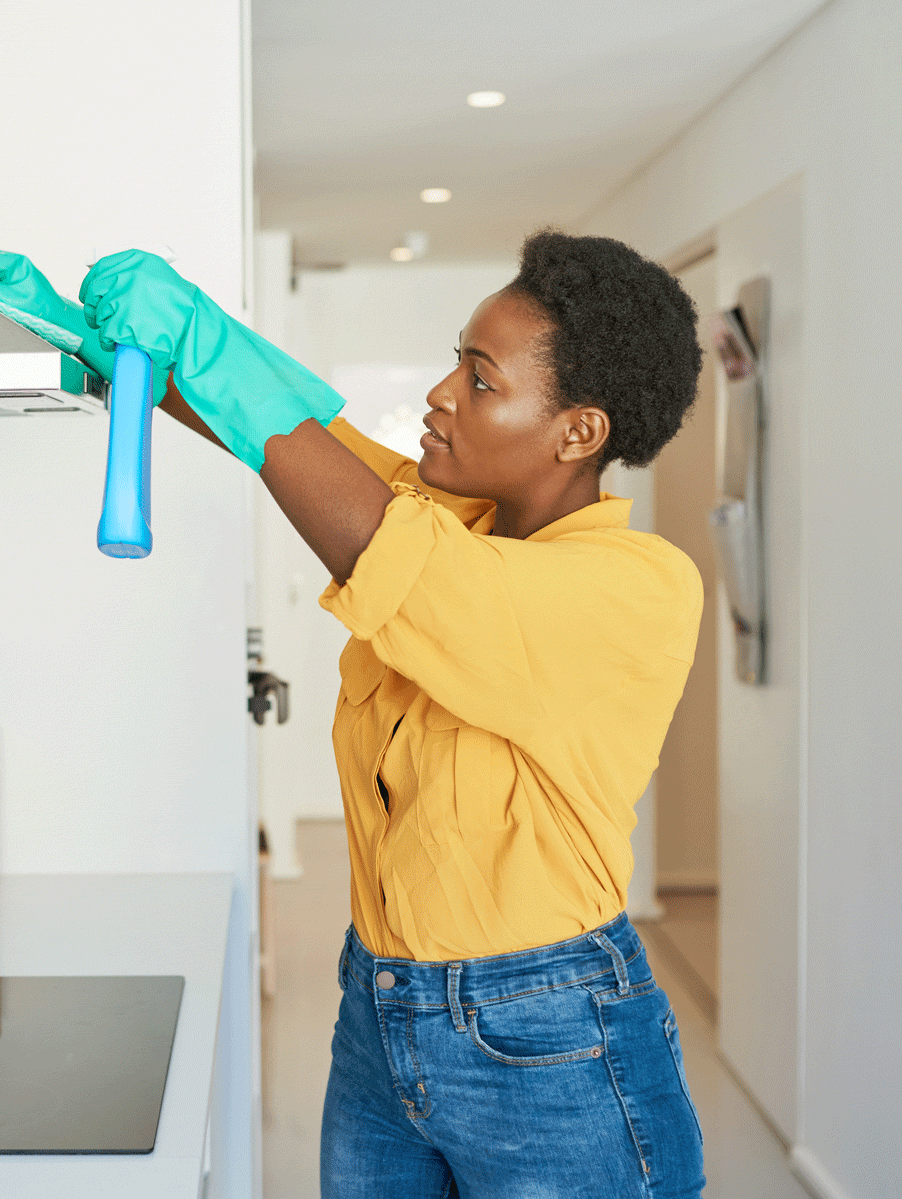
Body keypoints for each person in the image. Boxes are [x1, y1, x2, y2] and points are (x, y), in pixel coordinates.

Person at [81, 228, 707, 1197]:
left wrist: (197, 343)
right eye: (455, 363)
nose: (440, 395)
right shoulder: (448, 512)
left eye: (481, 379)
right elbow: (295, 430)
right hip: (379, 1009)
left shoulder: (638, 586)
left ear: (579, 430)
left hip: (551, 1038)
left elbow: (385, 548)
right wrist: (103, 345)